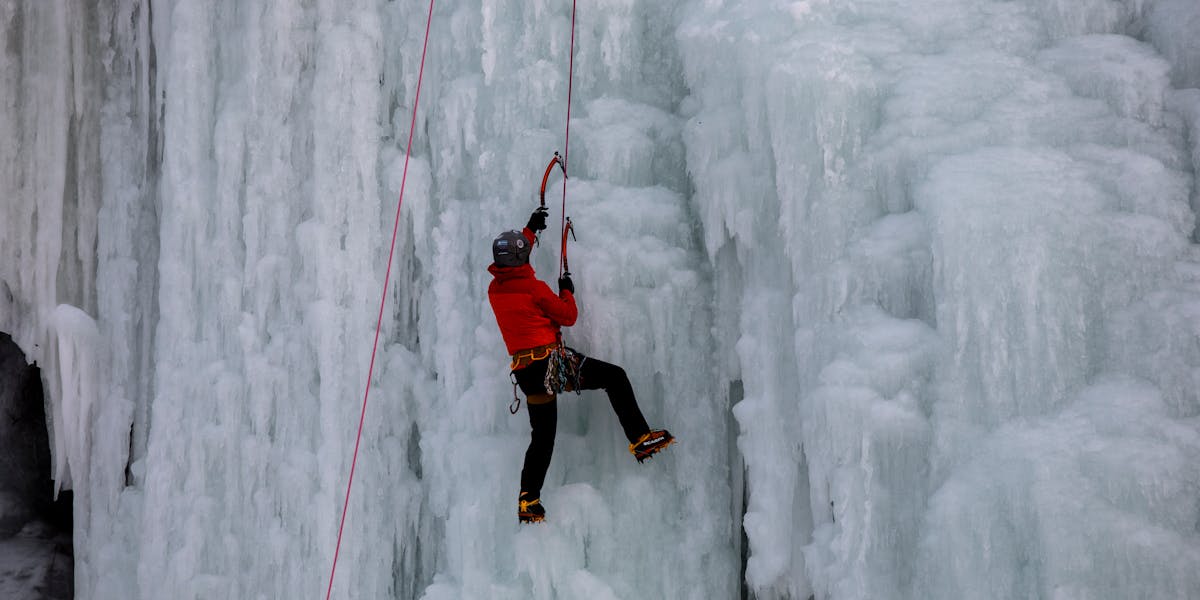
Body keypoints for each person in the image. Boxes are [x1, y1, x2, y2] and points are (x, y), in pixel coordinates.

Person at [487, 206, 674, 524]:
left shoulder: (496, 289)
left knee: (542, 438)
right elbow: (568, 316)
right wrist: (567, 291)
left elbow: (516, 257)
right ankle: (640, 439)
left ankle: (528, 500)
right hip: (551, 365)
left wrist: (530, 229)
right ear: (521, 260)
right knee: (614, 377)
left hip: (526, 375)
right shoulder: (535, 289)